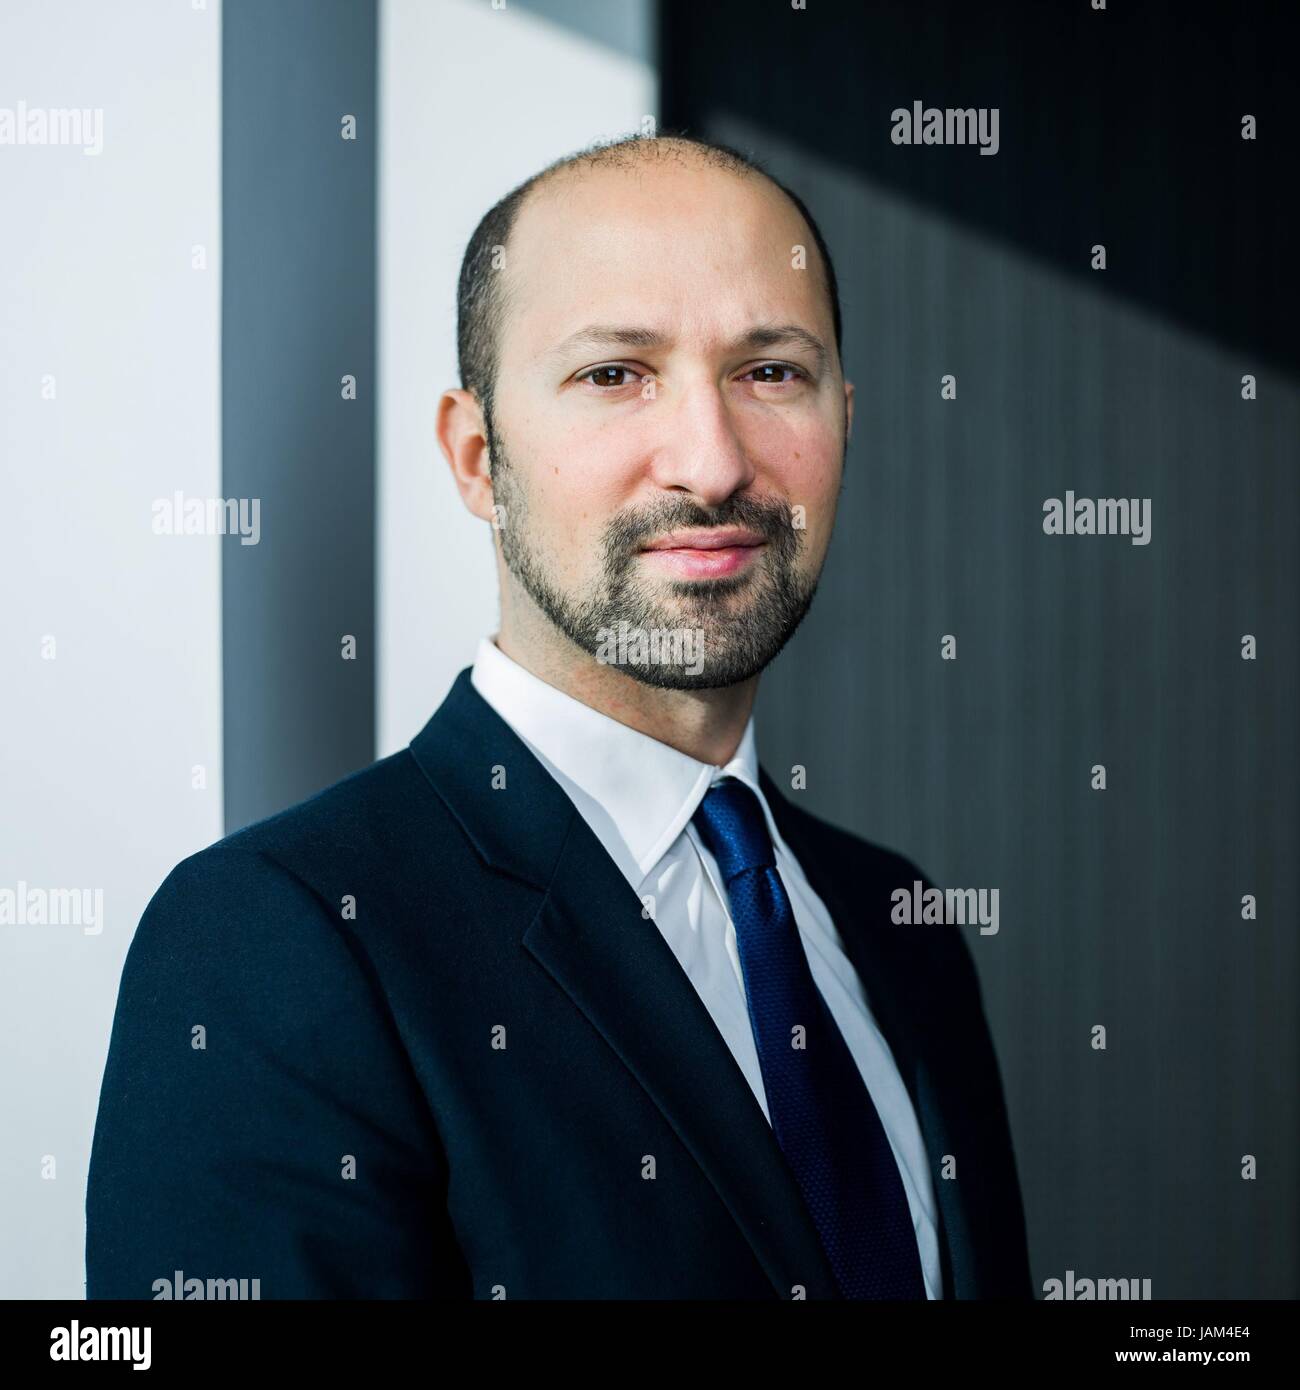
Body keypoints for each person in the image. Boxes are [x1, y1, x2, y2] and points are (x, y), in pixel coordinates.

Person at [86, 132, 1031, 1300]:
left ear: (844, 418)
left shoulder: (898, 925)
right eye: (614, 374)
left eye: (770, 371)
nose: (711, 463)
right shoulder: (278, 940)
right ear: (477, 455)